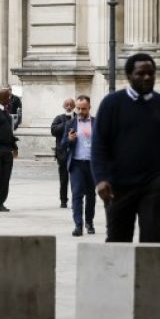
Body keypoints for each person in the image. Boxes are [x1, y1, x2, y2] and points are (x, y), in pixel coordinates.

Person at [91, 52, 160, 243]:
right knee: (118, 242)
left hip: (154, 184)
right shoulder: (112, 104)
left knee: (153, 243)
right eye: (141, 73)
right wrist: (100, 179)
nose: (147, 77)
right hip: (118, 186)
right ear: (129, 76)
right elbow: (99, 145)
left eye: (151, 73)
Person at [64, 95, 96, 237]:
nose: (81, 111)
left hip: (92, 164)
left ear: (89, 107)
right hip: (76, 164)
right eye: (79, 108)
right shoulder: (70, 124)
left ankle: (89, 222)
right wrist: (69, 140)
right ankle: (78, 225)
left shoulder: (97, 123)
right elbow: (62, 144)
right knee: (77, 195)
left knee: (91, 195)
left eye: (84, 108)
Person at [51, 98, 76, 208]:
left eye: (71, 104)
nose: (69, 106)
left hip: (75, 152)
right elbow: (53, 131)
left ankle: (76, 200)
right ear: (63, 106)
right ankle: (63, 200)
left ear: (74, 106)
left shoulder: (78, 117)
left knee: (76, 178)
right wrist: (66, 123)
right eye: (67, 104)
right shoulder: (59, 118)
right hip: (62, 153)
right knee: (63, 178)